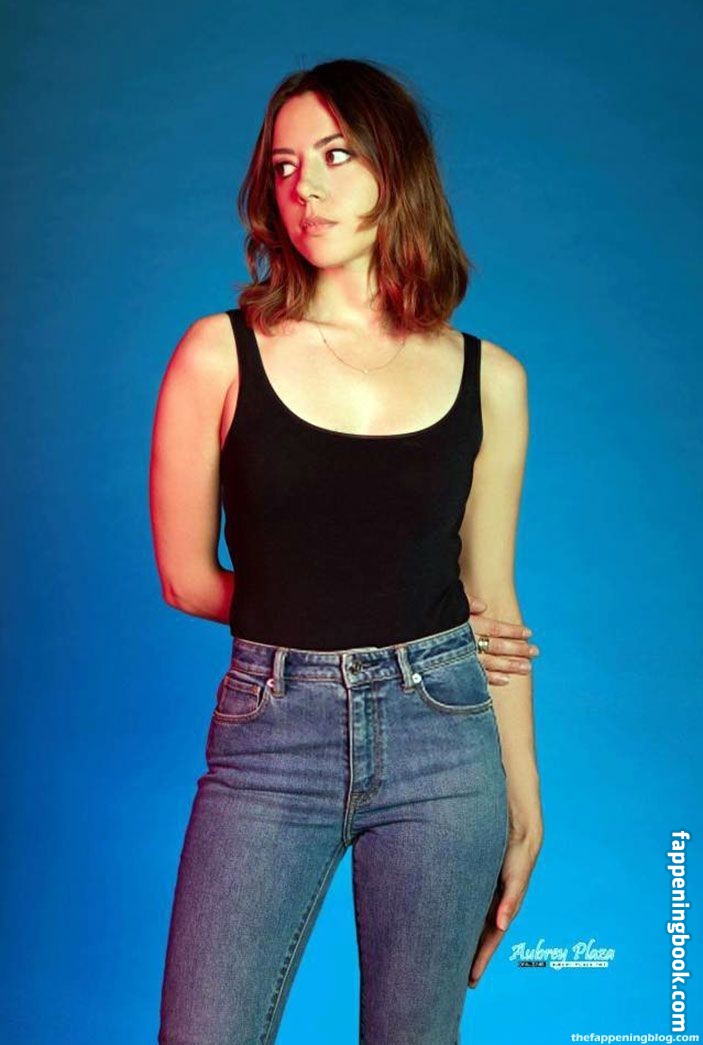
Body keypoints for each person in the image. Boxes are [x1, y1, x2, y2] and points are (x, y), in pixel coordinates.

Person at [150, 57, 543, 1045]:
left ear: (393, 169)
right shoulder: (218, 354)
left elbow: (491, 606)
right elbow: (187, 579)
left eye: (335, 156)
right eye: (284, 166)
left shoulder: (489, 379)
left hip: (444, 740)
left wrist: (524, 798)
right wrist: (322, 609)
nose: (305, 188)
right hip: (271, 736)